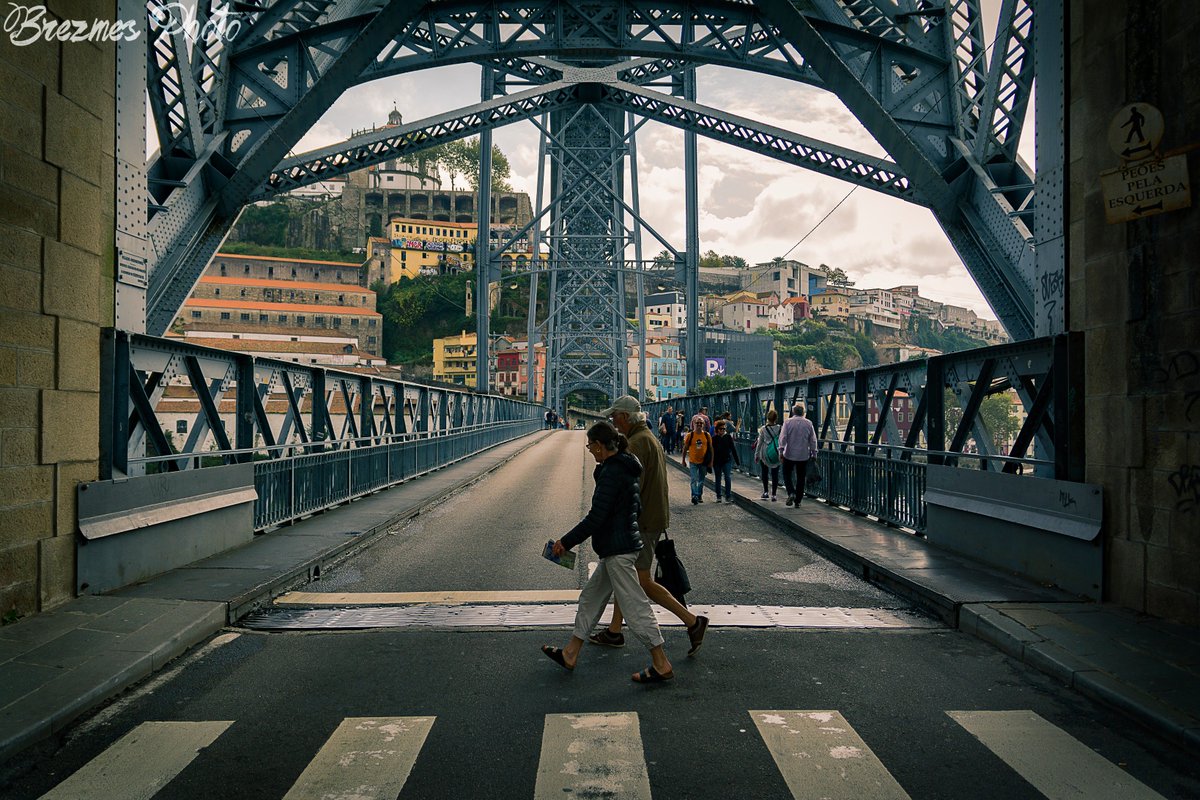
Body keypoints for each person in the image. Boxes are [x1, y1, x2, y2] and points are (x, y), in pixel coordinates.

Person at [541, 421, 676, 683]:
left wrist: (565, 542)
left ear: (601, 446)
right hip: (618, 546)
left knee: (635, 608)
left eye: (591, 445)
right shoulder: (624, 465)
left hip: (619, 550)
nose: (589, 449)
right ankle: (571, 652)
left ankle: (661, 662)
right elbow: (632, 510)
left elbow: (596, 517)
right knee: (590, 599)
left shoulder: (613, 473)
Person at [594, 396, 708, 655]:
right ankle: (614, 630)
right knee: (627, 575)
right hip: (652, 517)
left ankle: (692, 621)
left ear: (625, 416)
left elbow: (627, 488)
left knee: (642, 580)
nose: (612, 422)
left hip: (643, 522)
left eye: (614, 416)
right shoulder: (648, 437)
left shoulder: (635, 444)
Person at [779, 402, 818, 508]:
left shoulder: (787, 422)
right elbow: (813, 440)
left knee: (786, 474)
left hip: (789, 454)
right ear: (803, 413)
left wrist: (781, 451)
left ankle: (791, 492)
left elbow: (783, 438)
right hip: (803, 455)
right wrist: (814, 453)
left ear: (793, 412)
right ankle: (798, 500)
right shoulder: (809, 423)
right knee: (801, 477)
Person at [682, 415, 713, 504]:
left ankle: (699, 495)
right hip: (693, 461)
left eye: (701, 423)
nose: (699, 424)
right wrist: (683, 460)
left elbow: (711, 449)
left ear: (703, 424)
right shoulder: (690, 435)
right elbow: (685, 448)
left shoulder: (707, 435)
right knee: (694, 479)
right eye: (697, 423)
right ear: (693, 424)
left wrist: (711, 462)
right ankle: (694, 495)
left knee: (701, 480)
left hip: (703, 462)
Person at [753, 408, 783, 501]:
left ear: (767, 418)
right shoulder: (780, 428)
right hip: (776, 452)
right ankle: (774, 494)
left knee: (764, 473)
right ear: (776, 418)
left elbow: (760, 442)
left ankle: (766, 492)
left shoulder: (763, 429)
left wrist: (756, 455)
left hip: (765, 453)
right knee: (775, 474)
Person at [711, 419, 741, 502]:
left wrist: (737, 461)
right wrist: (710, 462)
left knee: (727, 477)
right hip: (717, 461)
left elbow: (733, 449)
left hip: (727, 460)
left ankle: (728, 496)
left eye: (724, 429)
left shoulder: (728, 437)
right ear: (717, 429)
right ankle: (719, 496)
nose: (722, 430)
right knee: (718, 478)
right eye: (721, 429)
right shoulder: (714, 439)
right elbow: (711, 451)